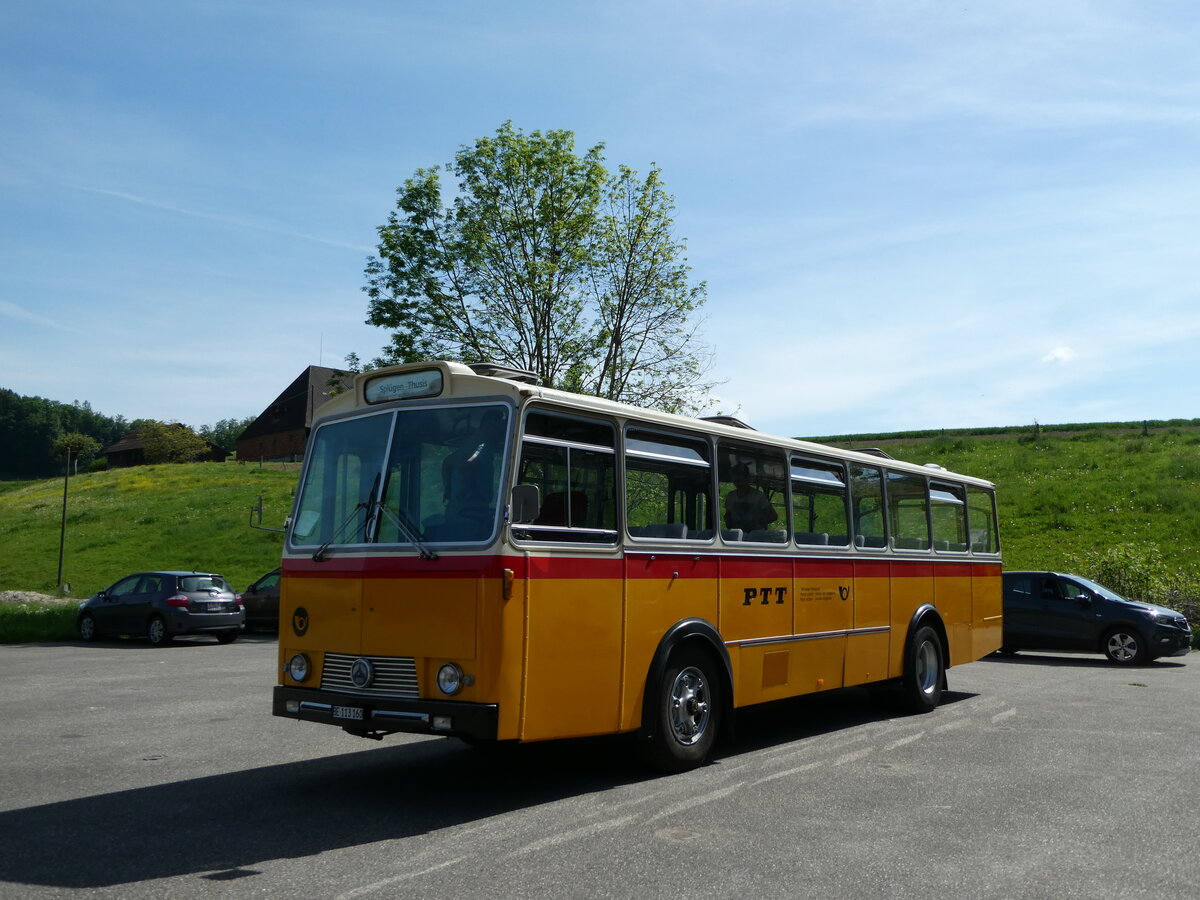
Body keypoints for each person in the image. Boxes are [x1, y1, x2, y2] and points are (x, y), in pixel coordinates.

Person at [724, 462, 778, 533]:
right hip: (736, 535)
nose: (738, 484)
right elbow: (728, 515)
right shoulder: (731, 496)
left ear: (747, 478)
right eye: (735, 481)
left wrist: (756, 522)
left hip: (754, 537)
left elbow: (773, 516)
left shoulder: (758, 497)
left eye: (740, 480)